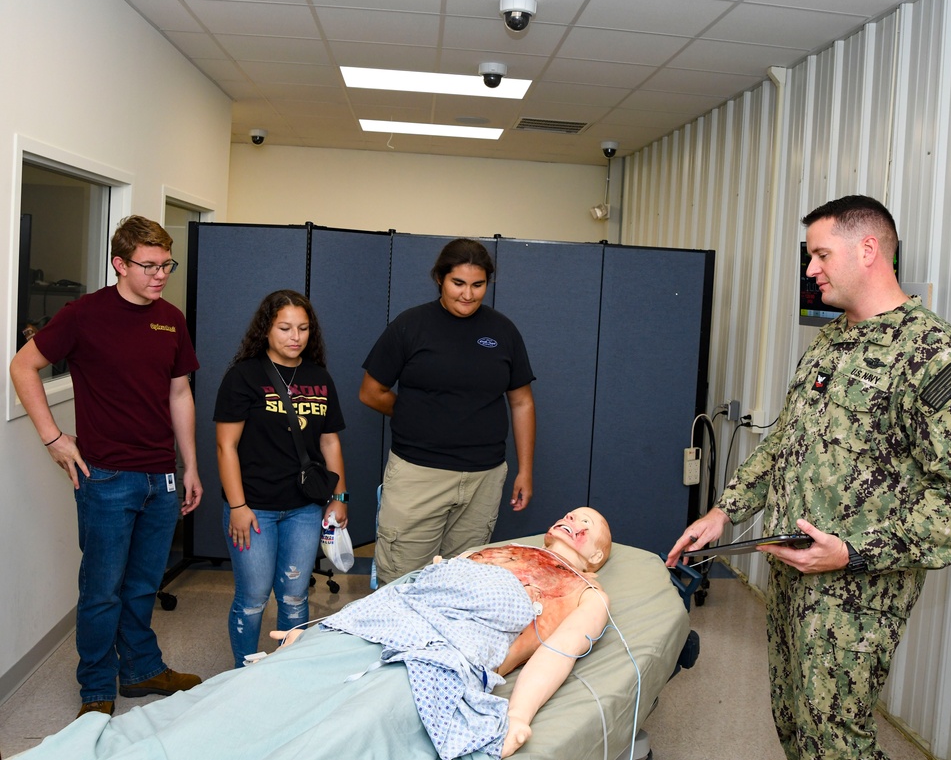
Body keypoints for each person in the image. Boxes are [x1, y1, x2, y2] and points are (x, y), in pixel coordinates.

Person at [667, 195, 951, 760]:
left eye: (819, 255)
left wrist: (850, 552)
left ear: (868, 250)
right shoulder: (828, 343)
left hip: (856, 594)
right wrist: (723, 512)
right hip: (792, 577)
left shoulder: (935, 355)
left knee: (838, 743)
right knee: (794, 725)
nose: (810, 269)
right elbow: (785, 444)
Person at [11, 508, 612, 760]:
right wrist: (322, 627)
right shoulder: (494, 551)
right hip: (368, 630)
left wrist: (518, 715)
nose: (573, 521)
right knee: (239, 700)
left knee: (332, 740)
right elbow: (401, 592)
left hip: (435, 666)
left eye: (589, 526)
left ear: (599, 557)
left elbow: (555, 653)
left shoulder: (585, 594)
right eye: (571, 514)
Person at [9, 215, 204, 719]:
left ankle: (141, 670)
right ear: (119, 263)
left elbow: (179, 393)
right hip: (107, 479)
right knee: (101, 590)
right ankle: (96, 687)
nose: (161, 275)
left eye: (167, 264)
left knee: (143, 585)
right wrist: (53, 438)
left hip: (160, 477)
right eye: (149, 265)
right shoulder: (84, 314)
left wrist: (190, 466)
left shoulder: (171, 318)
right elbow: (21, 366)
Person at [359, 238, 537, 585]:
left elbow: (522, 401)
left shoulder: (503, 331)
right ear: (440, 278)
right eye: (458, 283)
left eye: (478, 284)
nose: (468, 295)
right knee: (401, 582)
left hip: (483, 478)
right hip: (418, 474)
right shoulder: (411, 325)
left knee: (462, 583)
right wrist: (415, 413)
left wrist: (525, 470)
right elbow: (371, 392)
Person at [214, 289, 348, 668]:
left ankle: (290, 670)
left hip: (304, 507)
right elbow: (226, 447)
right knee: (254, 597)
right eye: (285, 327)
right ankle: (246, 672)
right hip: (253, 507)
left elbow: (329, 441)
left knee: (293, 596)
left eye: (303, 328)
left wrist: (341, 496)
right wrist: (237, 506)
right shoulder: (244, 376)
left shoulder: (319, 377)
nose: (295, 337)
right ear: (266, 330)